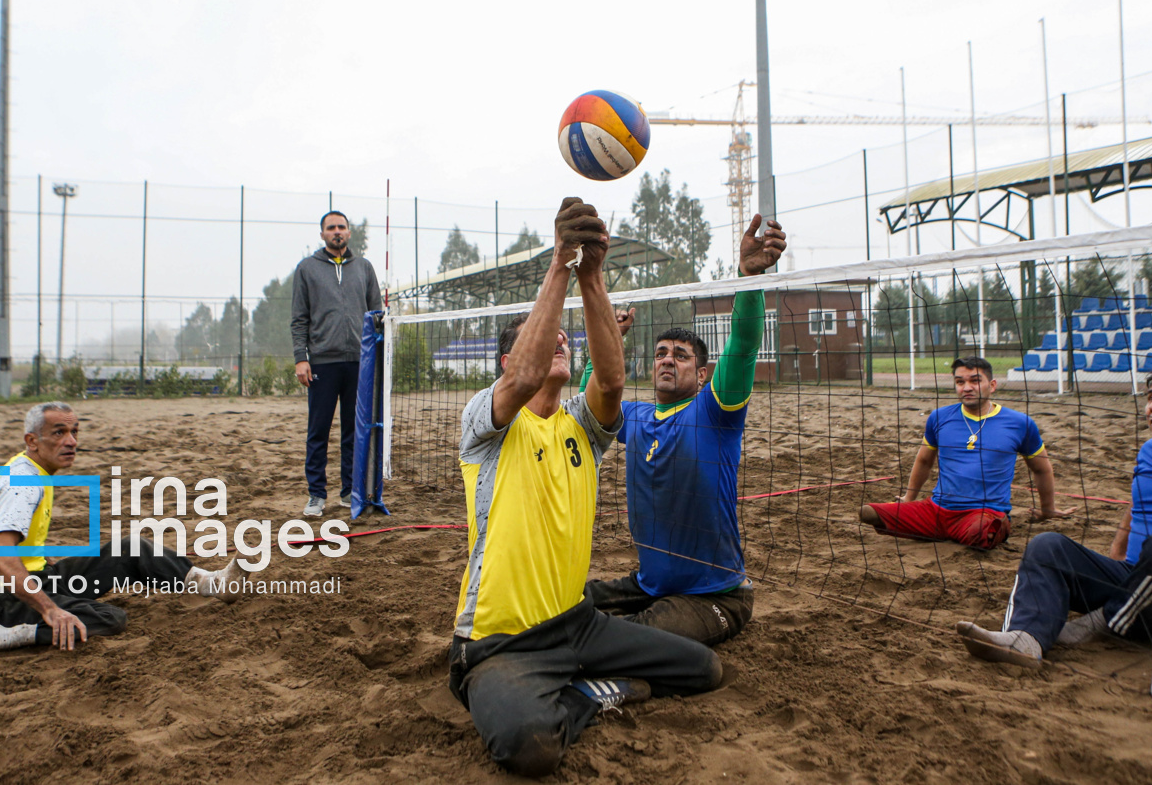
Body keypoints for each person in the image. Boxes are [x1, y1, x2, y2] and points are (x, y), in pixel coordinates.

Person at [447, 198, 722, 778]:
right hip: (502, 642)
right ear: (506, 358)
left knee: (703, 670)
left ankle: (589, 682)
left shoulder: (582, 426)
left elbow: (613, 377)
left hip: (579, 623)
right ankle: (589, 696)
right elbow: (522, 377)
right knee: (530, 748)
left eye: (562, 338)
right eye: (542, 337)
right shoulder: (486, 422)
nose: (560, 342)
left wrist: (592, 274)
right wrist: (559, 264)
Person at [580, 214, 786, 646]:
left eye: (680, 355)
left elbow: (744, 344)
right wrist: (608, 343)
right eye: (660, 353)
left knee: (623, 638)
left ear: (703, 370)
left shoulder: (716, 409)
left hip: (716, 596)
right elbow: (590, 399)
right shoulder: (634, 417)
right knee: (564, 602)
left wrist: (748, 278)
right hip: (649, 585)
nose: (667, 360)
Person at [957, 364, 1152, 666]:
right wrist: (1117, 556)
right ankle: (1025, 640)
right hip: (1141, 585)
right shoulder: (1151, 450)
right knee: (1048, 546)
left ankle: (1103, 622)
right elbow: (1136, 506)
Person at [0, 402, 245, 664]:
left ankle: (210, 583)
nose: (71, 442)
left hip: (38, 577)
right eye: (58, 433)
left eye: (74, 432)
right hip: (7, 598)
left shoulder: (31, 471)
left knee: (132, 547)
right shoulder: (23, 483)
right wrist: (49, 610)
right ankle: (10, 632)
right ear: (32, 441)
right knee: (109, 618)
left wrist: (40, 555)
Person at [860, 356, 1074, 549]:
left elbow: (1041, 469)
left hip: (983, 513)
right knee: (867, 512)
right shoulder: (939, 417)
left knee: (981, 534)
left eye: (975, 381)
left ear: (992, 385)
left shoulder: (1020, 423)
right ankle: (943, 531)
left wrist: (1047, 510)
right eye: (960, 382)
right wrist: (909, 498)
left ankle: (956, 532)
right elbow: (924, 461)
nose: (967, 387)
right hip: (937, 510)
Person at [292, 210, 383, 517]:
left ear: (349, 232)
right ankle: (316, 495)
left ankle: (349, 491)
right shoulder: (307, 269)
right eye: (331, 228)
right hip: (322, 362)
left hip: (360, 362)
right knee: (317, 431)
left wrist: (379, 356)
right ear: (322, 234)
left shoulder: (365, 268)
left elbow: (376, 315)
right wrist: (300, 358)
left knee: (353, 431)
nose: (337, 232)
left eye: (341, 227)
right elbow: (299, 319)